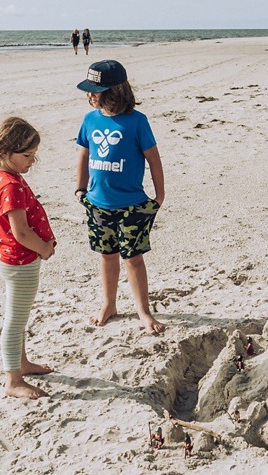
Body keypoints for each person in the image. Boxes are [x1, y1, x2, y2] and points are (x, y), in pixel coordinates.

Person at [74, 60, 166, 334]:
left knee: (134, 258)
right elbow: (84, 153)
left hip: (132, 206)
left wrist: (159, 196)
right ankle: (109, 304)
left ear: (114, 91)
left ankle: (143, 310)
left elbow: (153, 159)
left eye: (96, 90)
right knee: (107, 255)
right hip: (98, 203)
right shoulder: (90, 120)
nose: (90, 94)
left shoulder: (138, 122)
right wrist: (80, 189)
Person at [0, 117, 56, 399]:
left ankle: (21, 363)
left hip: (14, 260)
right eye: (27, 155)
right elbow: (21, 232)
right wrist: (44, 248)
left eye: (34, 154)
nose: (33, 161)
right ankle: (12, 380)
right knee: (15, 320)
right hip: (20, 262)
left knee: (19, 317)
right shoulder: (9, 185)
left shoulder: (6, 177)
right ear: (5, 154)